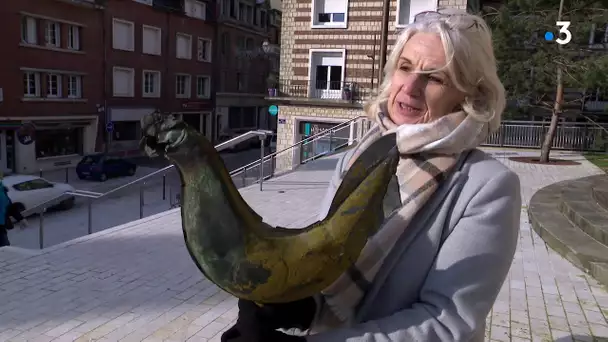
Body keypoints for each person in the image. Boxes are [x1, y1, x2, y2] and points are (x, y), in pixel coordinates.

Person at [221, 9, 521, 342]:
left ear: (468, 95)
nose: (410, 87)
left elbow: (448, 324)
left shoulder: (487, 187)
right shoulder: (360, 156)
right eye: (405, 67)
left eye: (434, 78)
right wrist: (292, 300)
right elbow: (325, 259)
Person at [0, 177, 28, 247]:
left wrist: (20, 218)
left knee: (6, 250)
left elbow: (7, 207)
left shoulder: (2, 189)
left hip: (1, 229)